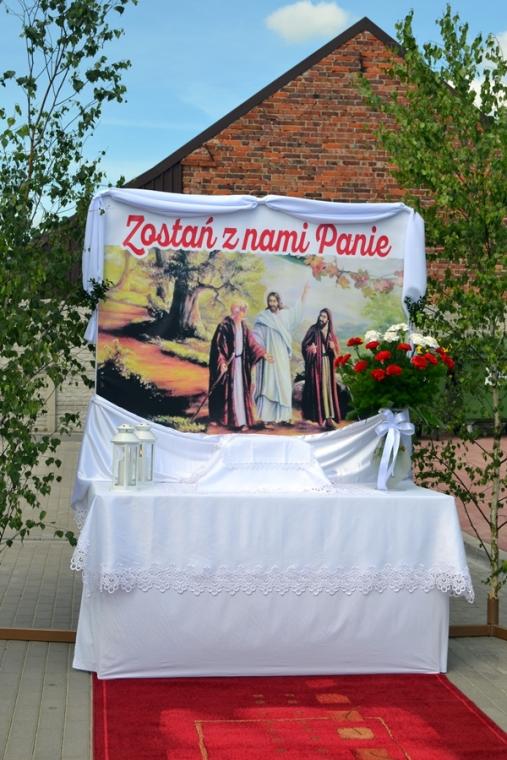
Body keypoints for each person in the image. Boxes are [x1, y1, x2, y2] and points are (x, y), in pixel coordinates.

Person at [208, 302, 271, 431]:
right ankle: (222, 418)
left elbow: (252, 344)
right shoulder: (224, 326)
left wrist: (263, 353)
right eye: (235, 312)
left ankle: (241, 421)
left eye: (240, 312)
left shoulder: (244, 327)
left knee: (240, 392)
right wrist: (222, 362)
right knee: (225, 391)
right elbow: (218, 347)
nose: (237, 314)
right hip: (229, 365)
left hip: (240, 366)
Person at [253, 284, 309, 427]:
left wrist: (304, 294)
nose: (272, 303)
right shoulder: (263, 317)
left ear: (278, 302)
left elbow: (297, 312)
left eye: (274, 301)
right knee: (269, 383)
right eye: (270, 301)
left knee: (283, 384)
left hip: (282, 355)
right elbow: (256, 336)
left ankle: (283, 416)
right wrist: (263, 353)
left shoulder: (285, 315)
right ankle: (267, 417)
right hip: (269, 355)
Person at [301, 308, 342, 429]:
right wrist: (311, 349)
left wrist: (333, 348)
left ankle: (329, 418)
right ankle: (321, 418)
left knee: (327, 390)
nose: (321, 318)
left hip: (327, 364)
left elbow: (337, 353)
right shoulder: (313, 329)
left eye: (324, 317)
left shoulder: (331, 333)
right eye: (320, 316)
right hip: (316, 365)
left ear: (328, 319)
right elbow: (304, 346)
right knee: (320, 390)